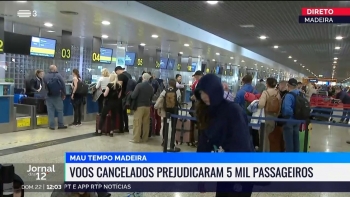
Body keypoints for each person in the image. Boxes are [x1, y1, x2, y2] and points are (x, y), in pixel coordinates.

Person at [194, 74, 254, 197]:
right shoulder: (207, 113)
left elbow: (243, 144)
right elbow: (204, 144)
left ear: (215, 91)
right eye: (201, 93)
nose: (204, 96)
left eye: (206, 92)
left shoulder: (233, 111)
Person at [154, 78, 181, 145]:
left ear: (168, 84)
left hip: (166, 110)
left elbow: (160, 98)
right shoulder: (177, 90)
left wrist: (156, 106)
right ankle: (172, 142)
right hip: (174, 110)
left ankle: (164, 141)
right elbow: (179, 100)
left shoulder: (165, 90)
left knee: (165, 126)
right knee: (173, 126)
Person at [258, 78, 281, 152]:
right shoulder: (277, 93)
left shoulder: (265, 92)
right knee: (271, 135)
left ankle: (265, 152)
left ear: (267, 84)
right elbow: (280, 105)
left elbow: (261, 104)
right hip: (274, 117)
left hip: (266, 116)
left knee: (265, 137)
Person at [130, 73, 154, 143]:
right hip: (147, 107)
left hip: (139, 107)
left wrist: (131, 93)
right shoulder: (151, 87)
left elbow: (133, 96)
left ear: (143, 77)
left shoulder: (139, 85)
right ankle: (145, 138)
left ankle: (136, 139)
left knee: (137, 122)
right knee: (146, 123)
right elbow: (151, 97)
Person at [43, 65, 67, 130]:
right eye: (56, 69)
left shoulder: (45, 76)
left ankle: (52, 126)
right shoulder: (58, 75)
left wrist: (45, 96)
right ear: (54, 69)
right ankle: (60, 124)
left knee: (50, 111)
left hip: (48, 96)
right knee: (60, 111)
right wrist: (64, 94)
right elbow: (63, 85)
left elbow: (44, 88)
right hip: (57, 96)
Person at [281, 78, 300, 152]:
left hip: (289, 120)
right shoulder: (300, 93)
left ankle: (289, 158)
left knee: (288, 140)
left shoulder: (289, 95)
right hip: (298, 119)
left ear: (288, 85)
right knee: (296, 139)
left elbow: (287, 109)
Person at [115, 66, 132, 133]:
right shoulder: (129, 75)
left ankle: (121, 128)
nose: (117, 74)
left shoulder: (121, 76)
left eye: (116, 73)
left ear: (118, 70)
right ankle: (126, 128)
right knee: (125, 113)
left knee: (120, 112)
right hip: (128, 96)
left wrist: (118, 95)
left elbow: (120, 87)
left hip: (122, 97)